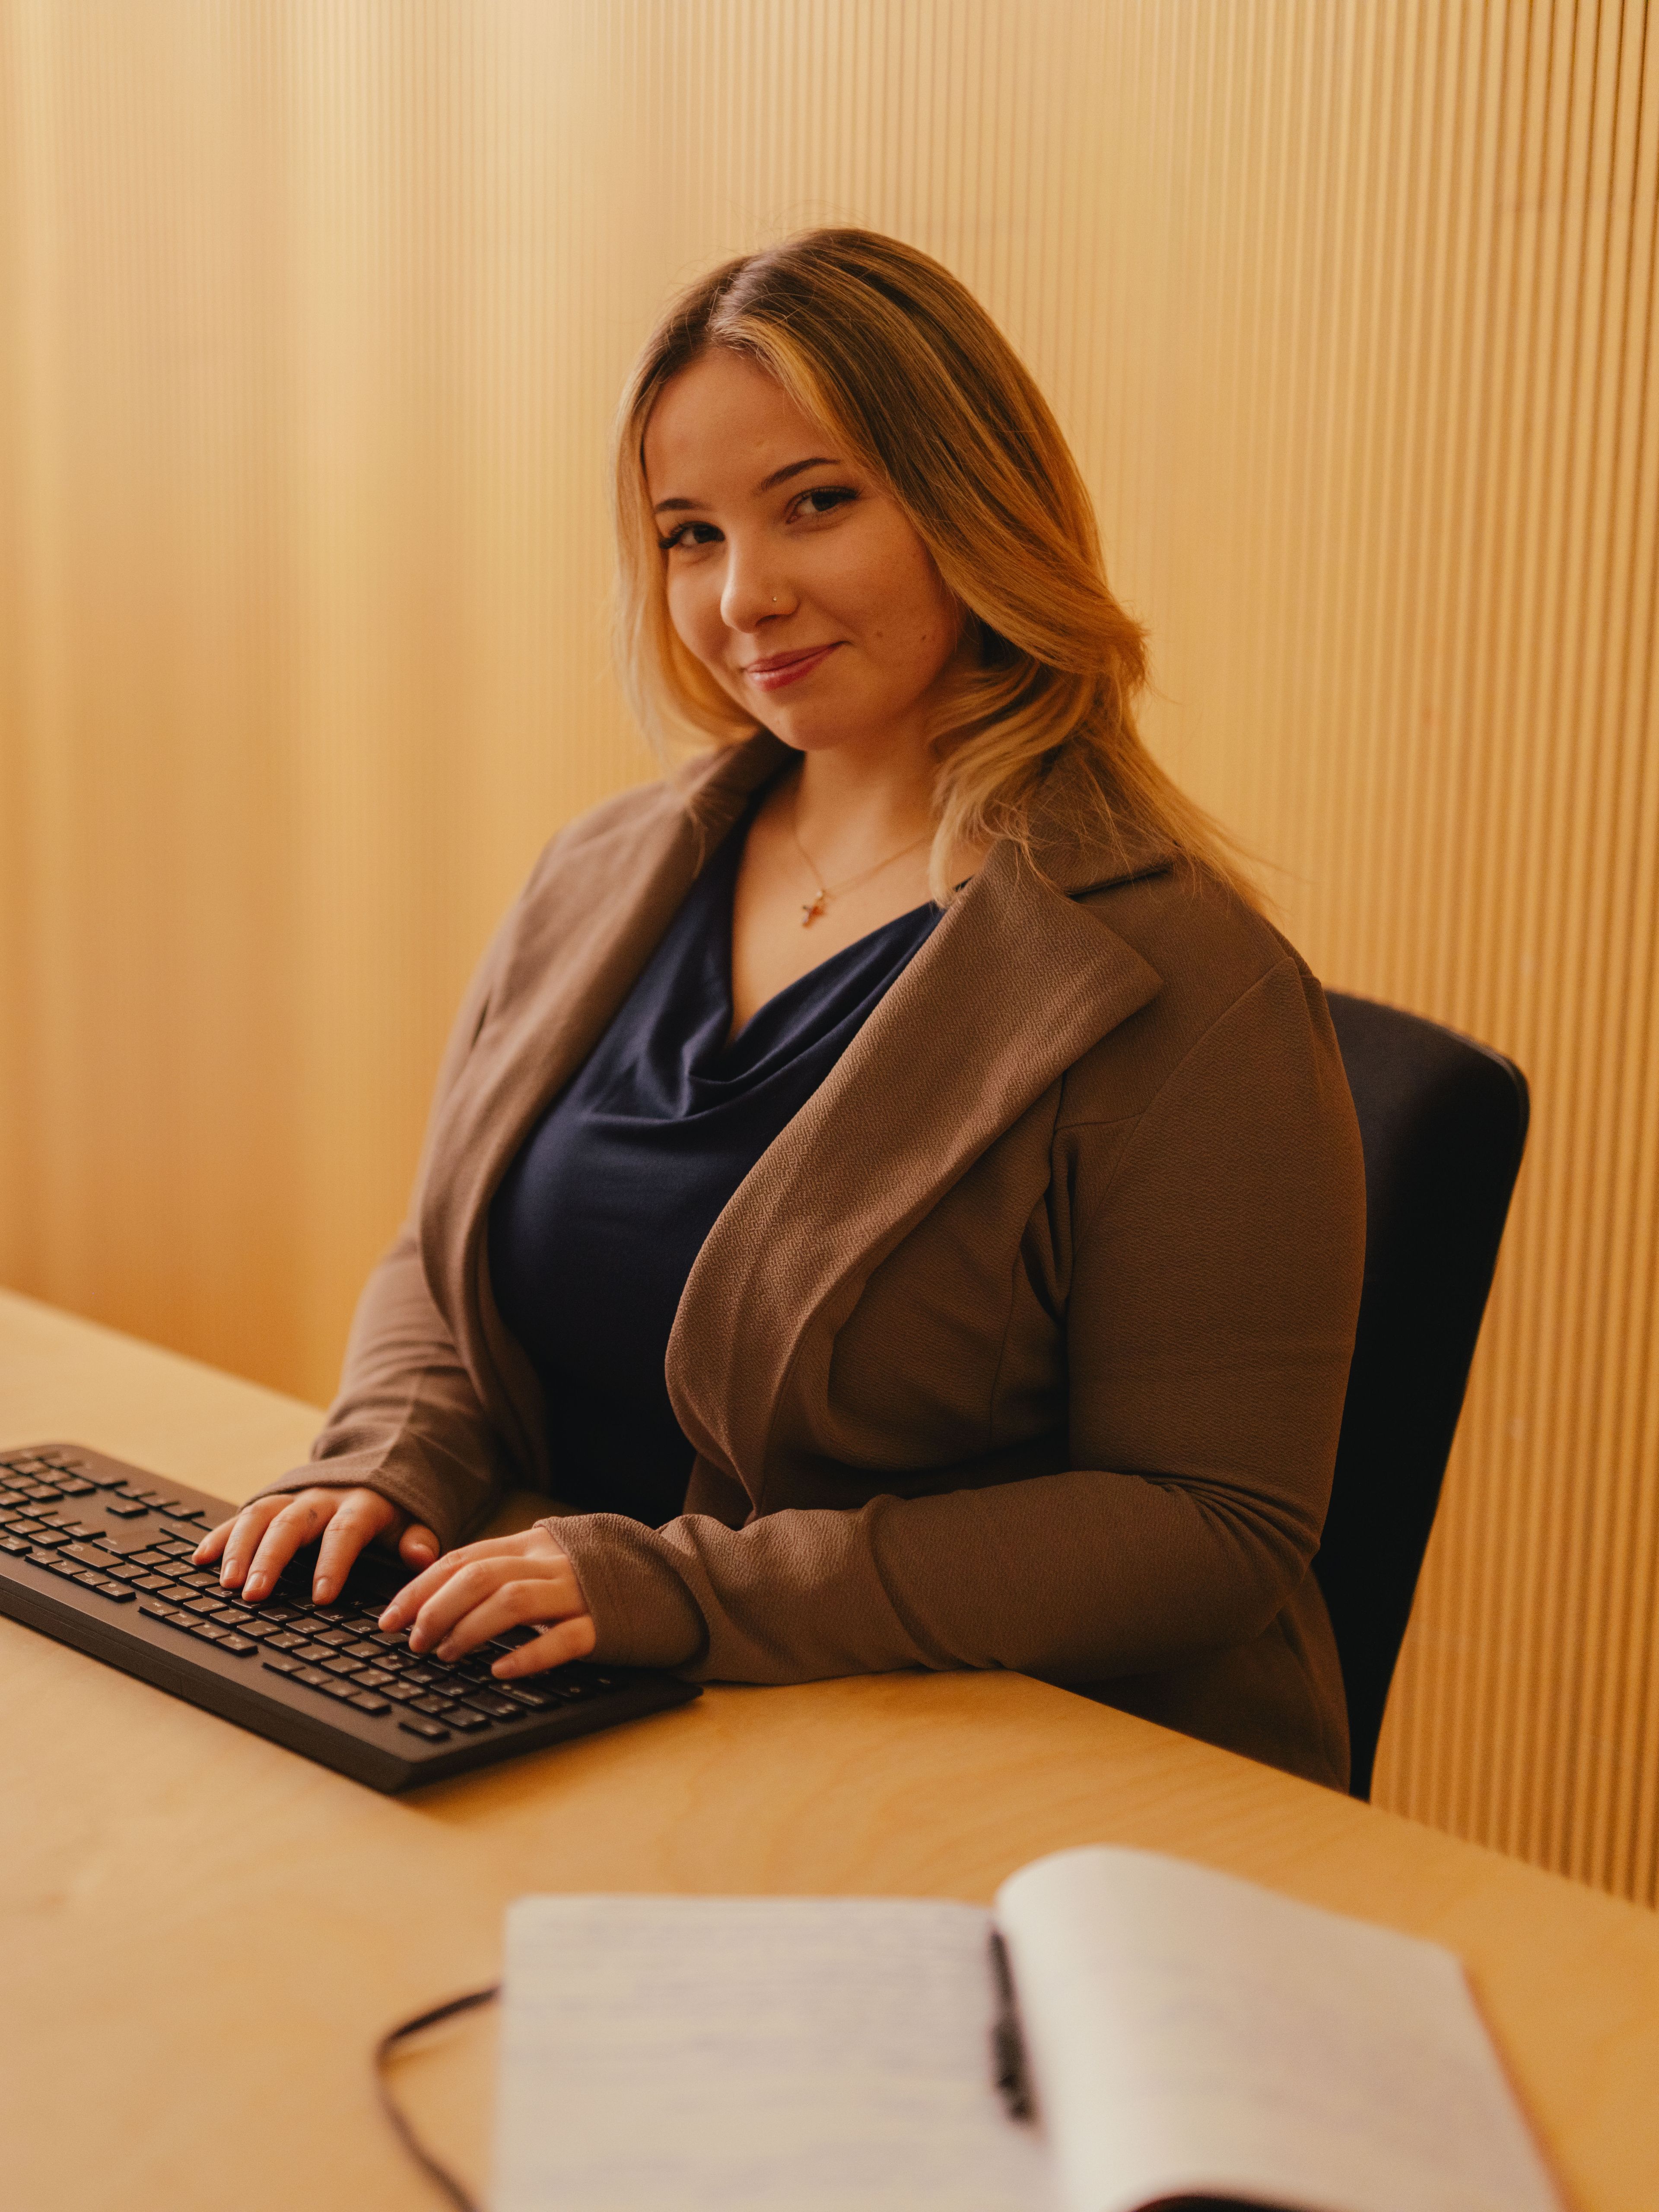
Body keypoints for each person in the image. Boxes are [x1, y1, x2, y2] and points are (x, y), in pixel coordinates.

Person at [196, 229, 1365, 1788]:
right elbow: (449, 1248)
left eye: (818, 503)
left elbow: (1214, 1527)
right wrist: (389, 1458)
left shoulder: (1186, 985)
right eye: (689, 534)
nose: (745, 596)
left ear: (971, 503)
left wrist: (688, 1592)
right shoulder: (608, 869)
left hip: (969, 1771)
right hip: (565, 1705)